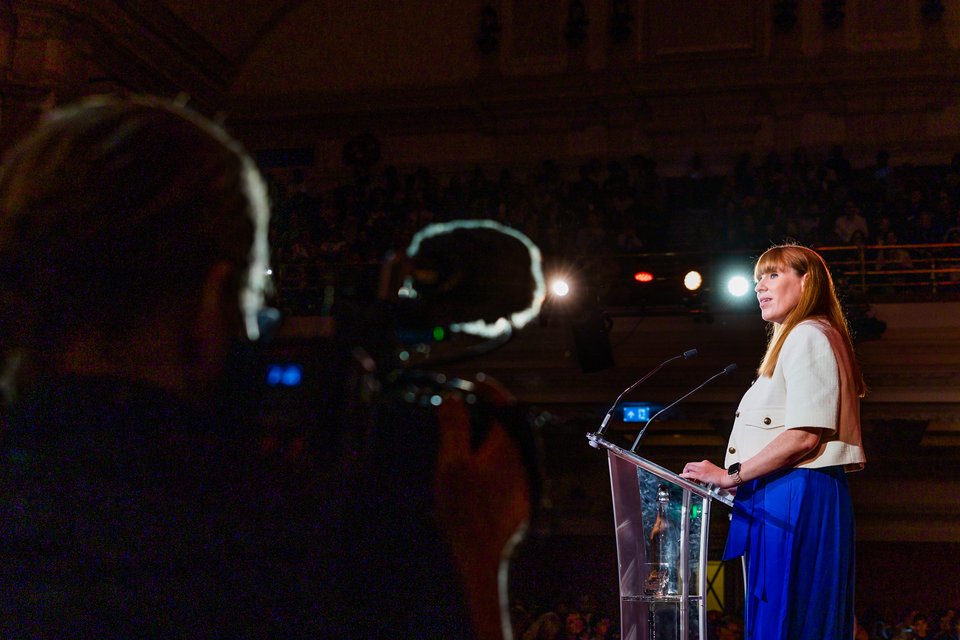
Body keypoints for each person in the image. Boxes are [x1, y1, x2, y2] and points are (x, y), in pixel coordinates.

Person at [680, 243, 866, 640]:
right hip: (790, 491)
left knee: (788, 618)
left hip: (795, 493)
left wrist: (731, 475)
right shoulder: (805, 337)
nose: (760, 287)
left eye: (773, 275)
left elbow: (803, 435)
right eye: (757, 279)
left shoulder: (808, 336)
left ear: (807, 281)